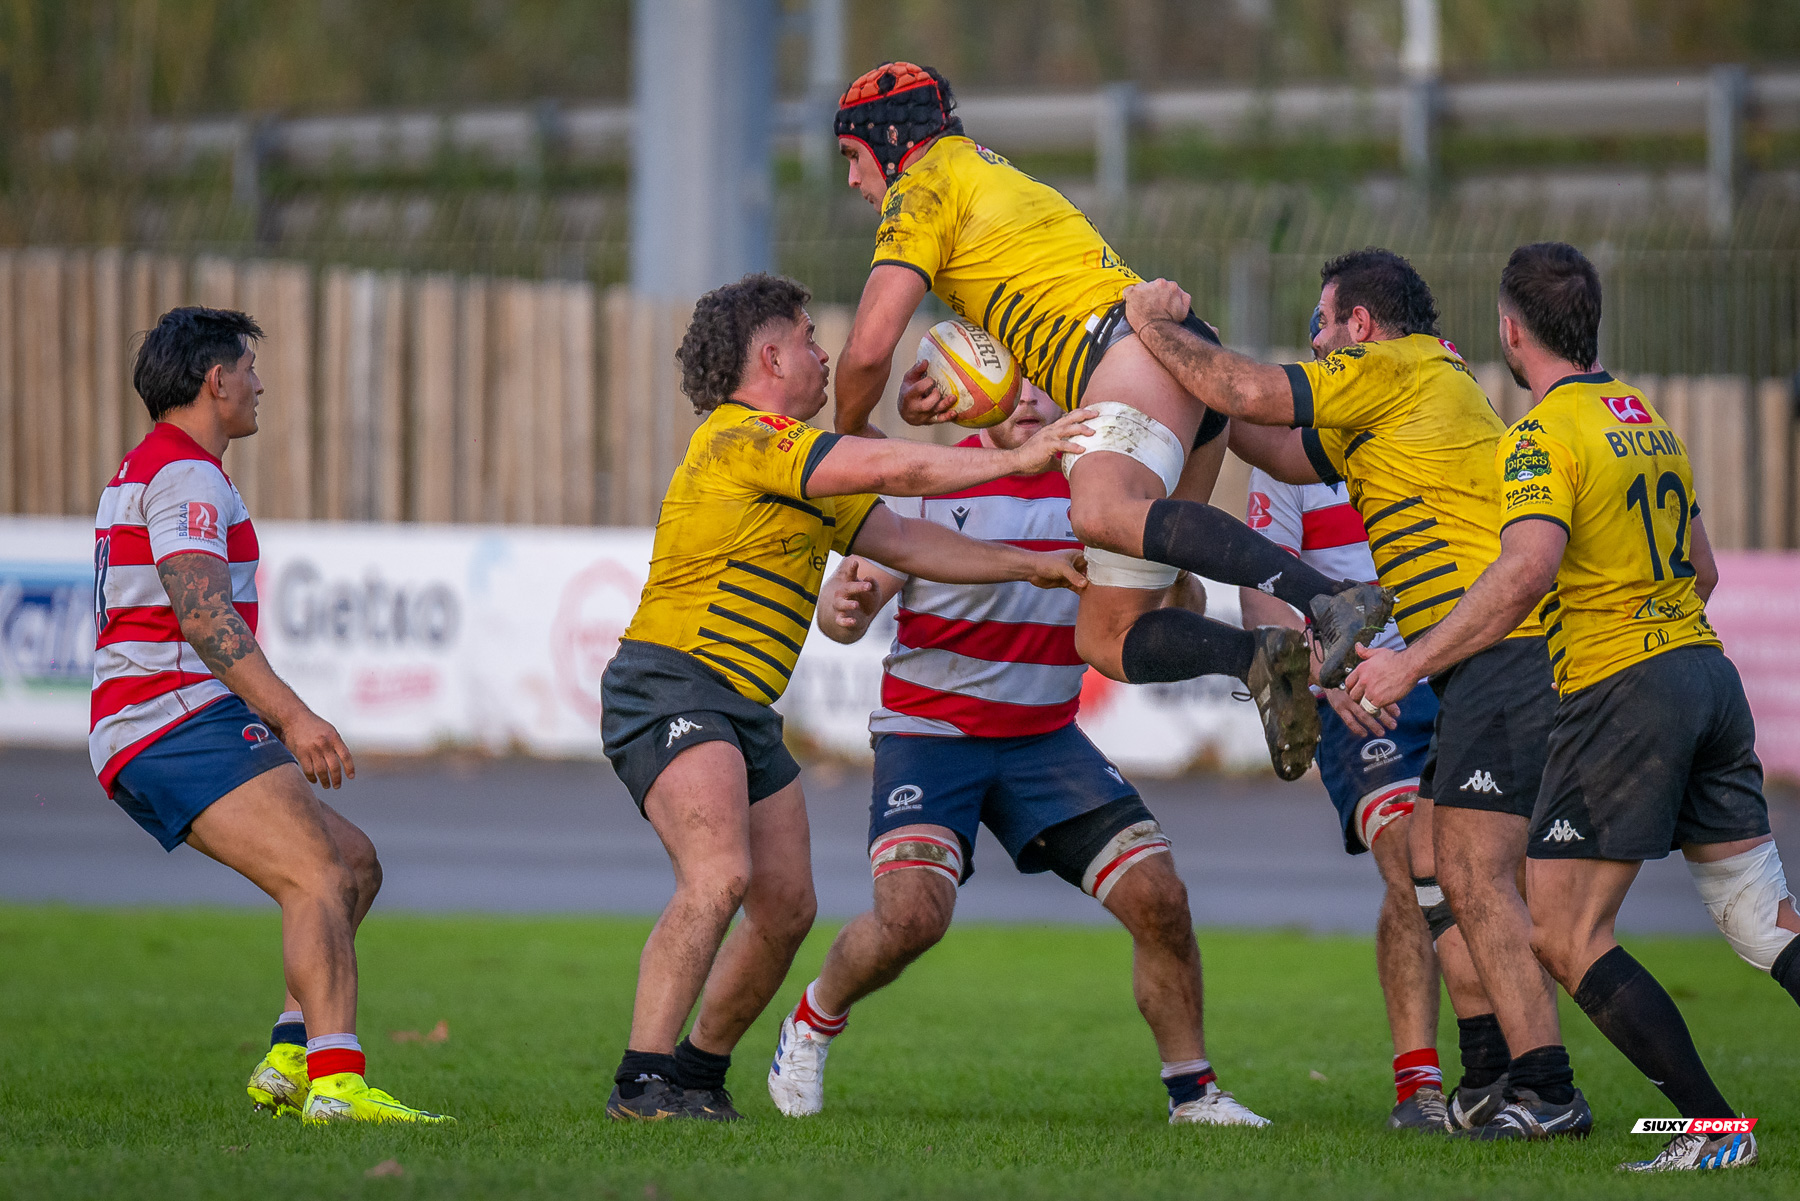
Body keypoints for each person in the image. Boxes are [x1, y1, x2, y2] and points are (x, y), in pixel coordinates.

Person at [600, 273, 1096, 1121]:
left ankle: (696, 1074)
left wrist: (1033, 565)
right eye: (807, 338)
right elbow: (895, 462)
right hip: (670, 682)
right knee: (718, 874)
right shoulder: (742, 437)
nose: (824, 354)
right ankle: (641, 1082)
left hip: (741, 707)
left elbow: (906, 539)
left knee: (788, 906)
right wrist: (1015, 457)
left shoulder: (802, 466)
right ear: (769, 357)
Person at [1349, 242, 1799, 1170]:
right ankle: (1708, 1135)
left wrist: (1408, 664)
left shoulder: (1539, 436)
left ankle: (1714, 1135)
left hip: (1624, 689)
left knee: (1563, 932)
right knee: (1762, 921)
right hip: (1707, 677)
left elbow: (1523, 573)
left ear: (1512, 332)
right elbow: (1704, 569)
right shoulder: (1647, 421)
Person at [1122, 250, 1583, 1139]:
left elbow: (1248, 391)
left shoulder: (1391, 369)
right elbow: (1267, 440)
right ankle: (1474, 1077)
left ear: (1360, 328)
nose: (1318, 347)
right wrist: (1185, 376)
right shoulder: (1398, 400)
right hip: (1418, 674)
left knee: (1498, 885)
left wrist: (1152, 328)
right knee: (1432, 859)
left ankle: (1551, 1088)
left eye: (1323, 329)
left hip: (1476, 660)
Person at [827, 61, 1393, 780]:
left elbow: (867, 348)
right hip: (1166, 359)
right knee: (1106, 637)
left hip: (1127, 357)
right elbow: (1023, 336)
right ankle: (1257, 658)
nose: (853, 180)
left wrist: (847, 436)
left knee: (1099, 512)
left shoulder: (923, 185)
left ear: (888, 142)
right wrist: (933, 400)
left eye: (852, 156)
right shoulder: (987, 176)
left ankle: (1325, 600)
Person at [765, 382, 1268, 1128]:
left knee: (1160, 899)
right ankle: (811, 1022)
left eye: (1041, 382)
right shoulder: (936, 484)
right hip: (929, 735)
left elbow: (1172, 614)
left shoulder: (1101, 494)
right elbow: (850, 612)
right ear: (975, 392)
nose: (1026, 400)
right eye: (1008, 380)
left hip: (1043, 739)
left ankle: (1194, 1095)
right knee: (911, 917)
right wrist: (845, 607)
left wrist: (1169, 582)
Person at [91, 306, 450, 1125]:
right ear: (215, 379)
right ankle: (338, 1085)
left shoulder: (152, 466)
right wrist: (293, 716)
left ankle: (291, 1057)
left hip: (160, 719)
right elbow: (201, 612)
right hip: (172, 718)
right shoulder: (185, 473)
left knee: (353, 864)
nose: (260, 385)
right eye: (250, 369)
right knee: (317, 875)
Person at [1239, 467, 1505, 1133]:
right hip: (1363, 693)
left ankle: (1518, 1076)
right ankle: (1421, 1087)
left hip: (1460, 673)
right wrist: (1319, 676)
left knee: (1495, 872)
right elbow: (1259, 591)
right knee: (1412, 868)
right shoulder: (1285, 458)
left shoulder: (1432, 429)